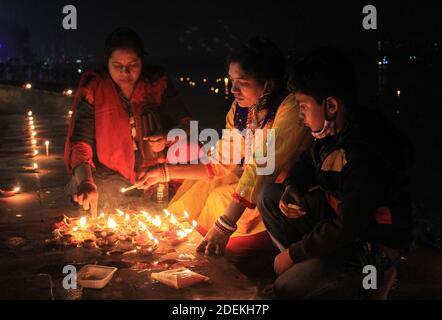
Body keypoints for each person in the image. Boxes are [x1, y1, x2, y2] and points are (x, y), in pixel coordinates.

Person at [257, 49, 414, 299]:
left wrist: (294, 253)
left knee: (287, 289)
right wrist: (292, 187)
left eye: (303, 106)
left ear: (330, 105)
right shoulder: (331, 133)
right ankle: (311, 267)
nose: (300, 115)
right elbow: (305, 162)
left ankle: (376, 276)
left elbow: (349, 224)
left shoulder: (366, 149)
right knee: (270, 196)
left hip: (371, 240)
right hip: (341, 225)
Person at [136, 37, 311, 258]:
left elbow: (260, 169)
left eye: (243, 82)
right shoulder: (242, 110)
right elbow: (218, 164)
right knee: (205, 188)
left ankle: (212, 247)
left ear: (270, 83)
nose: (234, 89)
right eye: (232, 80)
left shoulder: (291, 108)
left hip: (281, 196)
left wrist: (224, 226)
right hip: (253, 188)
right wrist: (163, 173)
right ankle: (183, 236)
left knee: (219, 202)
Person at [64, 28, 191, 216]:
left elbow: (187, 125)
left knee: (190, 187)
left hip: (157, 171)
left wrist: (166, 138)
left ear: (142, 60)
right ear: (107, 63)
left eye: (133, 64)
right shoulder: (95, 88)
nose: (125, 71)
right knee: (98, 195)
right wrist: (86, 182)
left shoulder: (157, 82)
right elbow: (80, 142)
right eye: (117, 65)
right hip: (111, 174)